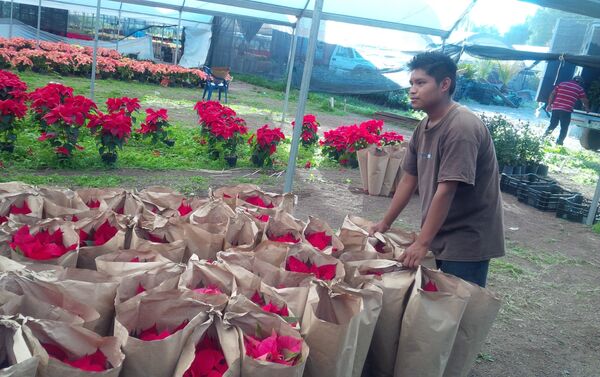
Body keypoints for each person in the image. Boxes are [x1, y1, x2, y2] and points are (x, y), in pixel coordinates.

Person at [370, 52, 505, 287]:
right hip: (440, 230)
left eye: (421, 83)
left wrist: (422, 243)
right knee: (435, 307)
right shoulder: (424, 126)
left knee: (457, 309)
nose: (412, 90)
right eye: (412, 83)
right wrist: (385, 223)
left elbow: (447, 190)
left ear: (444, 85)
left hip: (467, 238)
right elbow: (408, 180)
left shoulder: (461, 127)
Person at [544, 76, 590, 145]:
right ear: (580, 82)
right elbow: (584, 100)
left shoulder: (562, 84)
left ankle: (543, 138)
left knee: (552, 125)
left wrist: (549, 104)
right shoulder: (579, 88)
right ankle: (559, 143)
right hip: (566, 111)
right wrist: (587, 108)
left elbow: (552, 93)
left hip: (555, 109)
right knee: (564, 128)